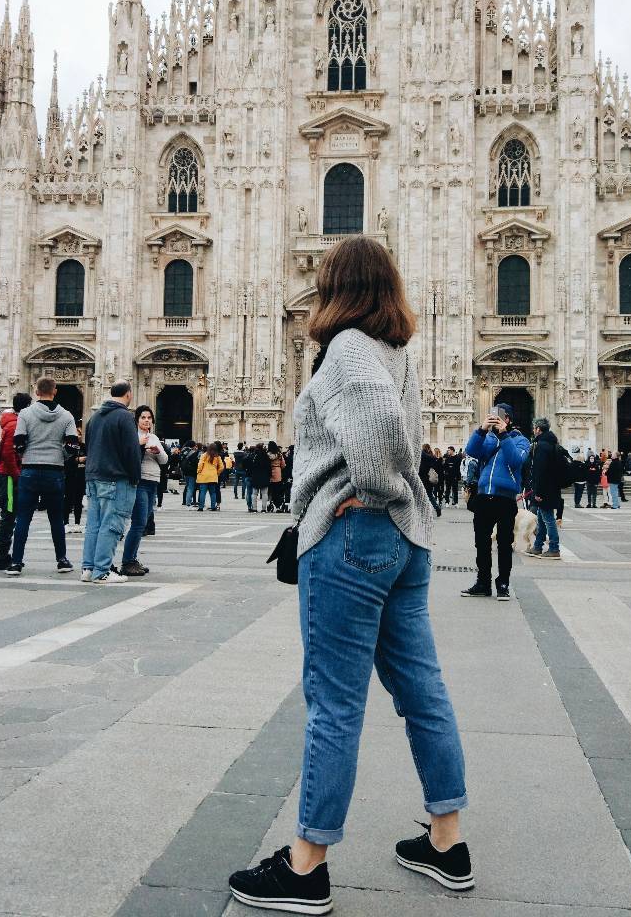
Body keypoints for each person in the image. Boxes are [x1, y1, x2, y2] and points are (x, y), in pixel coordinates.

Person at [229, 235, 472, 913]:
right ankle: (447, 842)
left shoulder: (349, 350)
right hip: (405, 539)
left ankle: (306, 867)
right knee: (422, 690)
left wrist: (369, 489)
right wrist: (396, 493)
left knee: (334, 703)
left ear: (337, 288)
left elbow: (376, 429)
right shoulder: (396, 353)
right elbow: (401, 429)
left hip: (357, 535)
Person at [6, 379, 79, 577]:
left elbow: (19, 442)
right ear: (55, 391)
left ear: (36, 392)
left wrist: (27, 455)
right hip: (54, 471)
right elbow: (73, 446)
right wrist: (59, 456)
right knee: (56, 518)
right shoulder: (66, 415)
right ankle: (62, 560)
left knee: (23, 518)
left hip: (30, 470)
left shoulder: (25, 414)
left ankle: (16, 562)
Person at [461, 404, 529, 599]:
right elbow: (471, 451)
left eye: (499, 416)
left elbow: (515, 461)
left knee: (504, 544)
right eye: (492, 415)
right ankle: (483, 583)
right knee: (481, 543)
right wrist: (482, 430)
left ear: (507, 419)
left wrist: (504, 435)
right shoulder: (488, 439)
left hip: (505, 498)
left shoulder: (521, 441)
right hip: (483, 496)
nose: (494, 418)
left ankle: (503, 584)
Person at [81, 380, 143, 583]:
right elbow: (131, 451)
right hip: (116, 479)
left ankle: (88, 568)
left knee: (94, 525)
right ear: (128, 394)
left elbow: (88, 446)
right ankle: (102, 571)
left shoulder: (95, 416)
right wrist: (135, 477)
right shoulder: (124, 416)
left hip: (93, 476)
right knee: (112, 524)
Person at [119, 405, 167, 576]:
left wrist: (157, 450)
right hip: (139, 482)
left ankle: (132, 558)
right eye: (143, 417)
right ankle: (127, 561)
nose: (146, 420)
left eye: (149, 418)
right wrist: (139, 446)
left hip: (153, 482)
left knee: (143, 522)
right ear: (137, 420)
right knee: (138, 523)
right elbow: (127, 457)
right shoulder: (132, 437)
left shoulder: (153, 437)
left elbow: (164, 460)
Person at [0, 391, 32, 570]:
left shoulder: (14, 422)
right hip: (10, 477)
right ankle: (2, 557)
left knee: (10, 516)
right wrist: (18, 476)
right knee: (8, 516)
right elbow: (9, 456)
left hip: (11, 475)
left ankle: (4, 555)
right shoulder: (14, 425)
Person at [526, 417, 562, 559]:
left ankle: (554, 548)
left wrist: (538, 491)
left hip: (544, 489)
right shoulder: (553, 444)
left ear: (538, 429)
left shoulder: (541, 446)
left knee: (548, 519)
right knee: (541, 518)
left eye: (535, 428)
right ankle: (538, 546)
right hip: (551, 487)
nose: (533, 431)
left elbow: (540, 471)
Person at [63, 427, 87, 529]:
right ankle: (66, 523)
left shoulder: (84, 446)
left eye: (80, 434)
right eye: (76, 434)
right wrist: (77, 460)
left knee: (79, 501)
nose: (78, 436)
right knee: (67, 500)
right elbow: (65, 461)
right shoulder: (67, 447)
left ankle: (77, 523)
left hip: (81, 477)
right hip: (69, 477)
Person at [196, 442, 224, 511]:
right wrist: (217, 473)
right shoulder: (217, 457)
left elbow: (200, 465)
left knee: (203, 492)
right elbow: (221, 467)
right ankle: (213, 507)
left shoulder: (204, 455)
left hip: (204, 476)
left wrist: (199, 471)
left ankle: (201, 507)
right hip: (213, 476)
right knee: (213, 492)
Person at [245, 441, 271, 513]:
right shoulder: (266, 456)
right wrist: (269, 475)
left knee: (254, 493)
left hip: (255, 476)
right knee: (264, 493)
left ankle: (254, 508)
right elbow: (269, 467)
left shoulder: (254, 456)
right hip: (264, 476)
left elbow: (251, 466)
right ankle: (263, 509)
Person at [419, 444, 442, 516]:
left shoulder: (422, 456)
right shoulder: (432, 457)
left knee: (420, 495)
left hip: (422, 478)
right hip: (429, 479)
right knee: (430, 495)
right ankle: (437, 507)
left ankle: (423, 511)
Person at [180, 441, 199, 507]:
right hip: (191, 471)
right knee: (191, 487)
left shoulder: (182, 451)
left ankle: (184, 501)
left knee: (187, 486)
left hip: (184, 471)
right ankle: (188, 502)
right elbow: (195, 462)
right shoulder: (192, 452)